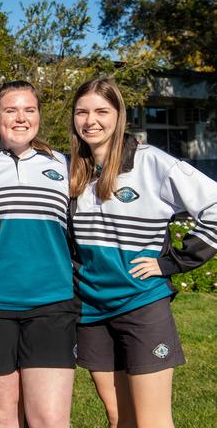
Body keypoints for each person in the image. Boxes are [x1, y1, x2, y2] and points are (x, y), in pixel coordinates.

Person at [69, 77, 217, 428]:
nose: (91, 120)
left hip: (141, 304)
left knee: (152, 422)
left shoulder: (151, 163)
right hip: (92, 309)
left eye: (102, 111)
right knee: (119, 417)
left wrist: (172, 262)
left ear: (118, 115)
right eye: (82, 112)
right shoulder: (73, 169)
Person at [0, 81, 76, 427]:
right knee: (1, 418)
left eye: (29, 109)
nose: (21, 118)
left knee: (50, 420)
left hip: (51, 305)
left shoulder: (65, 165)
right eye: (11, 110)